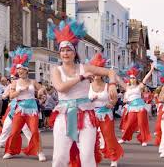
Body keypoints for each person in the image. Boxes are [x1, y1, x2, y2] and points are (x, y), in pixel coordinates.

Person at [47, 19, 117, 167]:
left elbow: (110, 72)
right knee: (60, 157)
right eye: (62, 50)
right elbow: (60, 87)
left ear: (74, 52)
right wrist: (80, 78)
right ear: (59, 53)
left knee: (86, 156)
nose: (65, 53)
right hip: (64, 114)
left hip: (86, 115)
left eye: (68, 50)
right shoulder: (56, 70)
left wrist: (112, 85)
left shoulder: (85, 67)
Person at [3, 47, 46, 162]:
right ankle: (10, 151)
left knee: (34, 131)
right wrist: (20, 91)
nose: (20, 71)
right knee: (15, 131)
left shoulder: (33, 81)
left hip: (32, 109)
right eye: (18, 69)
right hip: (20, 109)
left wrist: (42, 92)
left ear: (27, 70)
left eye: (22, 69)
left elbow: (42, 89)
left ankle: (39, 151)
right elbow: (11, 96)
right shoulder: (15, 82)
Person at [88, 53, 124, 167]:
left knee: (109, 137)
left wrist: (111, 103)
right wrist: (90, 101)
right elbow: (83, 101)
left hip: (105, 115)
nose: (96, 74)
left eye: (99, 71)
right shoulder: (87, 86)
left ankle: (114, 158)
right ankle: (93, 158)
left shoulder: (108, 86)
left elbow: (114, 100)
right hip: (91, 115)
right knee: (91, 138)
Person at [117, 63, 154, 146]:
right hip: (131, 107)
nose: (132, 79)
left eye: (133, 78)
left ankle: (144, 140)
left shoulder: (139, 86)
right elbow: (119, 80)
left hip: (140, 107)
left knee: (142, 123)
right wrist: (111, 72)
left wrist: (151, 70)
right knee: (129, 123)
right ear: (129, 79)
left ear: (136, 79)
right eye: (130, 78)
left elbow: (145, 78)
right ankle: (124, 138)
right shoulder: (127, 87)